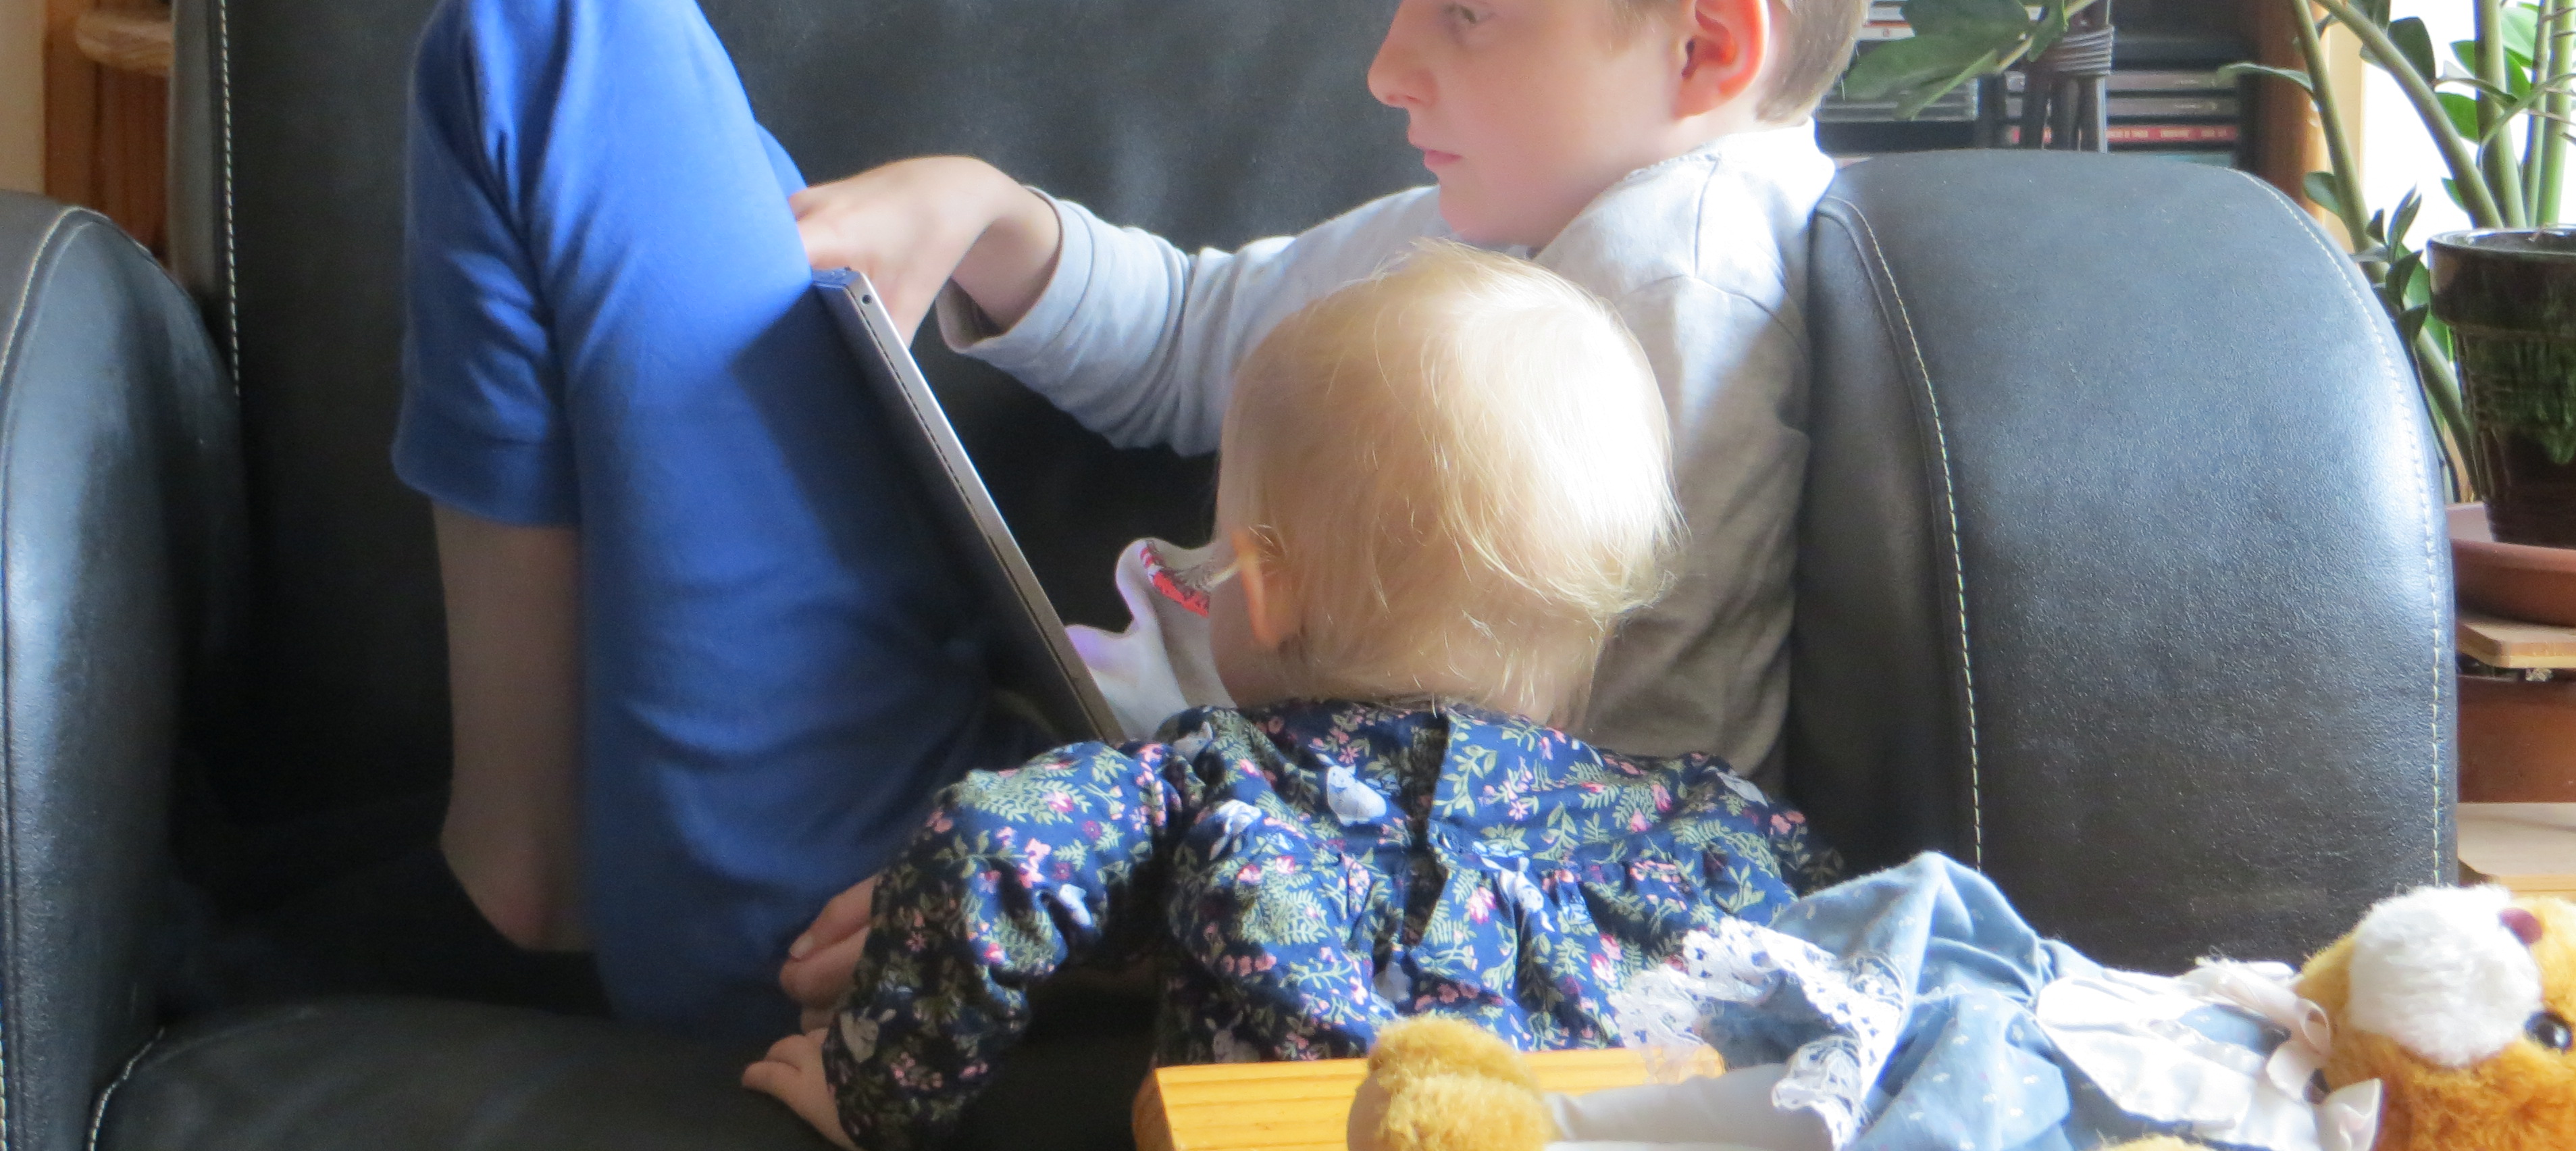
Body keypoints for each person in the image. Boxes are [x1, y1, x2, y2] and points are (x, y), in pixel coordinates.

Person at [396, 0, 1893, 1039]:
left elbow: (1621, 844)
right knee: (588, 36)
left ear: (1707, 44)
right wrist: (994, 218)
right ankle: (551, 857)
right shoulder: (1519, 219)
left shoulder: (1680, 283)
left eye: (1463, 10)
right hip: (1022, 790)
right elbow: (1197, 332)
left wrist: (1094, 927)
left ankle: (530, 873)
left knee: (558, 14)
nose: (1387, 66)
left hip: (968, 896)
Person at [737, 246, 1836, 1149]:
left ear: (1259, 590)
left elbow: (991, 845)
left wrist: (874, 1091)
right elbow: (1858, 973)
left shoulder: (1209, 781)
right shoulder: (1713, 826)